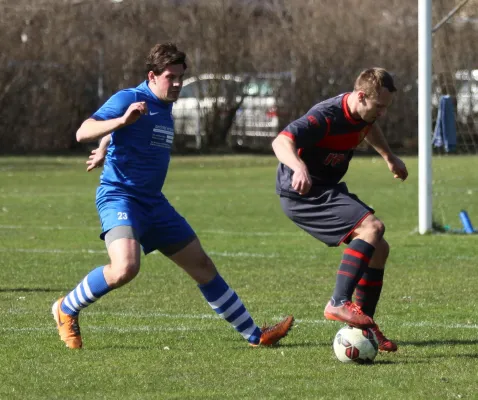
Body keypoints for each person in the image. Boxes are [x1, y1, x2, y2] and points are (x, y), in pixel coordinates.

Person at [52, 42, 293, 349]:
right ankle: (65, 308)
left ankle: (255, 336)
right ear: (152, 76)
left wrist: (105, 145)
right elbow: (83, 131)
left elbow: (126, 130)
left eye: (181, 77)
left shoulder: (163, 105)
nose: (178, 84)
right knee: (125, 267)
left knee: (202, 266)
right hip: (120, 197)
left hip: (154, 203)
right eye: (171, 77)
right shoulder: (130, 97)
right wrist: (117, 125)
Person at [271, 68, 408, 352]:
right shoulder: (326, 115)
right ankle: (338, 302)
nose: (382, 113)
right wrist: (299, 167)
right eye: (379, 106)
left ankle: (364, 326)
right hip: (302, 193)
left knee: (379, 248)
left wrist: (389, 157)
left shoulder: (363, 115)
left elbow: (369, 127)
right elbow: (281, 140)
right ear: (361, 97)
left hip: (326, 189)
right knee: (373, 227)